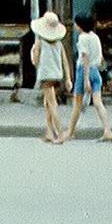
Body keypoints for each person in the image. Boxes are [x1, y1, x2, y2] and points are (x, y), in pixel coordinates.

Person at [59, 14, 112, 143]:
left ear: (80, 25)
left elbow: (85, 58)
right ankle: (107, 130)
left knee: (77, 104)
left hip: (84, 71)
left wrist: (86, 79)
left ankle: (70, 132)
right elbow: (99, 58)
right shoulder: (95, 37)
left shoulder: (83, 38)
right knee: (98, 103)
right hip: (96, 70)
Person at [30, 11, 71, 144]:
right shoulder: (59, 44)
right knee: (47, 103)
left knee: (52, 104)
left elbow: (35, 61)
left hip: (45, 76)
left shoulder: (40, 42)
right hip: (57, 75)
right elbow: (65, 61)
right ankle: (49, 132)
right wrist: (68, 78)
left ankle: (60, 132)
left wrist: (32, 53)